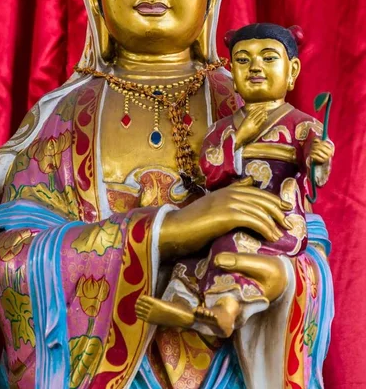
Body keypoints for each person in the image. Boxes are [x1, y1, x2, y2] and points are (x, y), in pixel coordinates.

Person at [0, 0, 333, 389]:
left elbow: (310, 250)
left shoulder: (248, 99)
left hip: (225, 362)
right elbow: (16, 262)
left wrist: (279, 278)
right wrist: (167, 230)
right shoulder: (64, 116)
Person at [135, 23, 334, 339]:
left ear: (292, 70)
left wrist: (320, 159)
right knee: (190, 262)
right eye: (243, 60)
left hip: (273, 218)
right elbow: (210, 174)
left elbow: (313, 176)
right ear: (232, 72)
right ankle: (183, 305)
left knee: (235, 249)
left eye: (268, 59)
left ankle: (225, 312)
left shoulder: (301, 125)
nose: (255, 67)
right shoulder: (223, 128)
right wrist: (238, 137)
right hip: (223, 214)